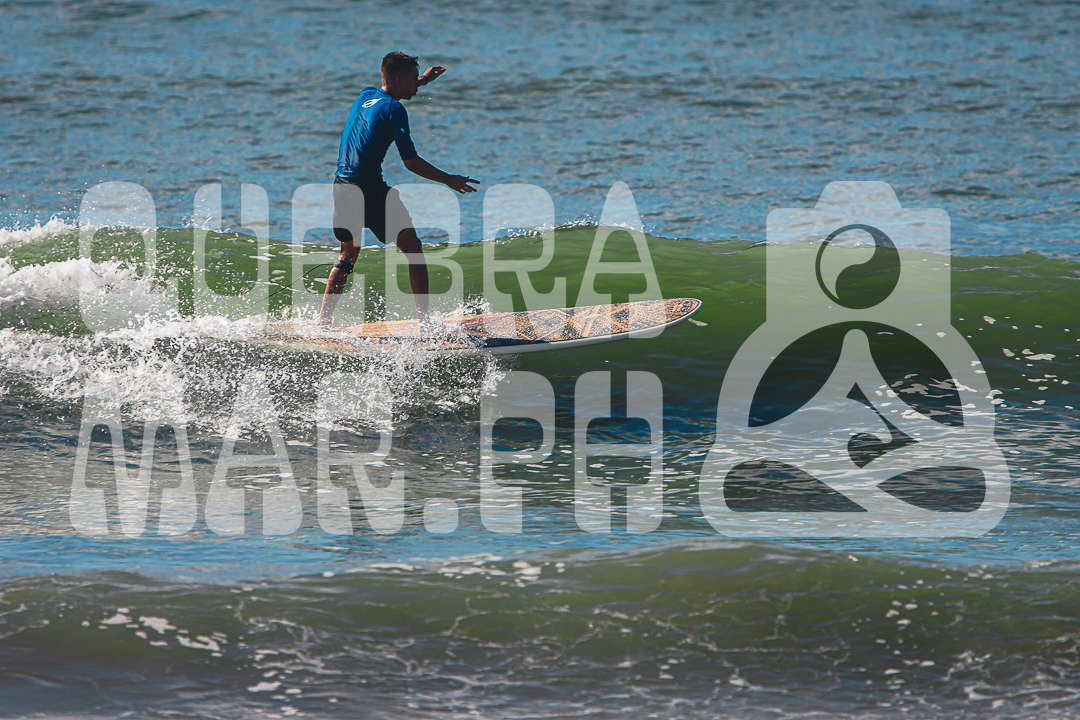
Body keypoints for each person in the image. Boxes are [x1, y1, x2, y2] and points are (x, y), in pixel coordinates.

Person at [321, 51, 479, 325]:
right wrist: (449, 180)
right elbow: (411, 162)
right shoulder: (396, 110)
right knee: (413, 247)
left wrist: (423, 80)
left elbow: (392, 89)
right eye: (412, 80)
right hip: (368, 188)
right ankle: (425, 325)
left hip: (342, 186)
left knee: (347, 256)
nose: (415, 86)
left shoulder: (365, 95)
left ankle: (323, 323)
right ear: (397, 80)